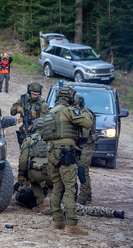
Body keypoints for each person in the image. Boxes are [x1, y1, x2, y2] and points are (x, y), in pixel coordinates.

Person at [43, 85, 93, 235]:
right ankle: (71, 225)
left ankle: (57, 220)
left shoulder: (49, 112)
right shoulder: (68, 110)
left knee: (57, 187)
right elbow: (88, 124)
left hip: (52, 153)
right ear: (70, 97)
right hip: (66, 153)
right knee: (70, 188)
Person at [14, 182, 125, 219]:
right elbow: (21, 197)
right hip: (53, 204)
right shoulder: (27, 194)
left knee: (85, 209)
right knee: (82, 210)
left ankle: (113, 212)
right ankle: (113, 213)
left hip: (59, 198)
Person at [17, 118, 52, 214]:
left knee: (34, 183)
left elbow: (23, 160)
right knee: (54, 185)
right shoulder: (52, 139)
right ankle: (49, 199)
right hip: (50, 169)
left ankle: (40, 202)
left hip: (35, 171)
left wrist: (21, 174)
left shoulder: (29, 140)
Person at [75, 93, 98, 205]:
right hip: (81, 145)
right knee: (82, 170)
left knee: (82, 170)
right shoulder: (79, 111)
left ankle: (83, 196)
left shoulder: (85, 114)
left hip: (86, 145)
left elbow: (84, 133)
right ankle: (88, 195)